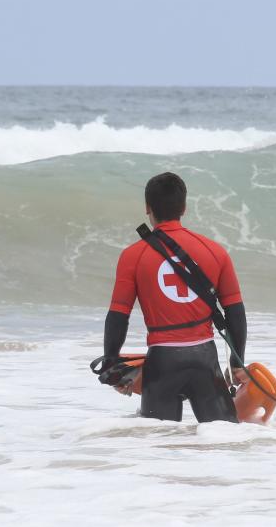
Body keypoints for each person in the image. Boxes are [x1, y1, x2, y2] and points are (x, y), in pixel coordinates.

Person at [103, 172, 249, 423]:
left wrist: (111, 363)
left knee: (160, 447)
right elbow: (235, 313)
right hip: (205, 359)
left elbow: (118, 316)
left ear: (147, 208)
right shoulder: (215, 251)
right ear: (183, 207)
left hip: (162, 363)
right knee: (225, 442)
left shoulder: (132, 256)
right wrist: (237, 363)